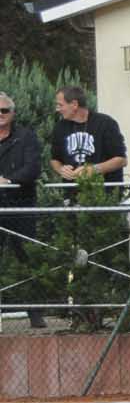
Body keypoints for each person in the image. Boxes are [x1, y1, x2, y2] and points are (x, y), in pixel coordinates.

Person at [0, 91, 45, 327]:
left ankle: (36, 314)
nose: (0, 115)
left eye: (4, 111)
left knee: (28, 260)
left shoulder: (26, 137)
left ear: (13, 113)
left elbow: (33, 169)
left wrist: (7, 180)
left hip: (21, 207)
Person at [49, 86, 127, 185]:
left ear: (74, 104)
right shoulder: (60, 127)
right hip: (72, 193)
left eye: (60, 105)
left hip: (104, 193)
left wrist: (94, 169)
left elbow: (121, 160)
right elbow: (55, 159)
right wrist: (61, 169)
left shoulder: (106, 123)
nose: (57, 109)